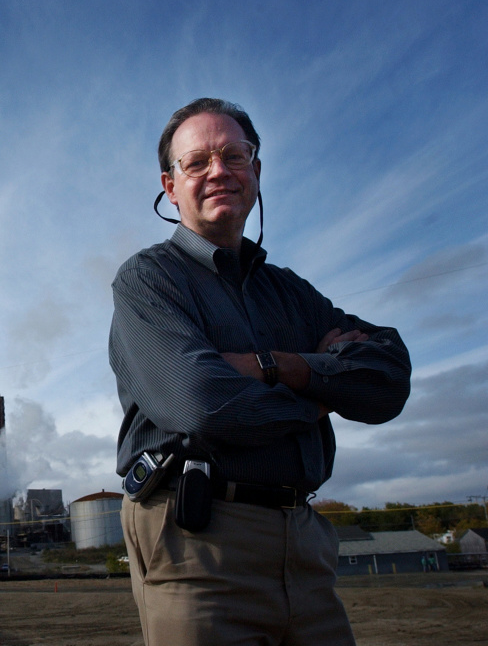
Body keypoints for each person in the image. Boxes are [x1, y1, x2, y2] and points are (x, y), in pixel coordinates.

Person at [109, 98, 411, 646]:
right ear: (170, 186)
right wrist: (322, 394)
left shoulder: (289, 292)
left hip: (306, 543)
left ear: (256, 171)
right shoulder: (149, 281)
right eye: (196, 161)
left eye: (234, 155)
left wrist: (279, 366)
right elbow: (200, 401)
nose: (218, 170)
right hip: (197, 546)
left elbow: (388, 375)